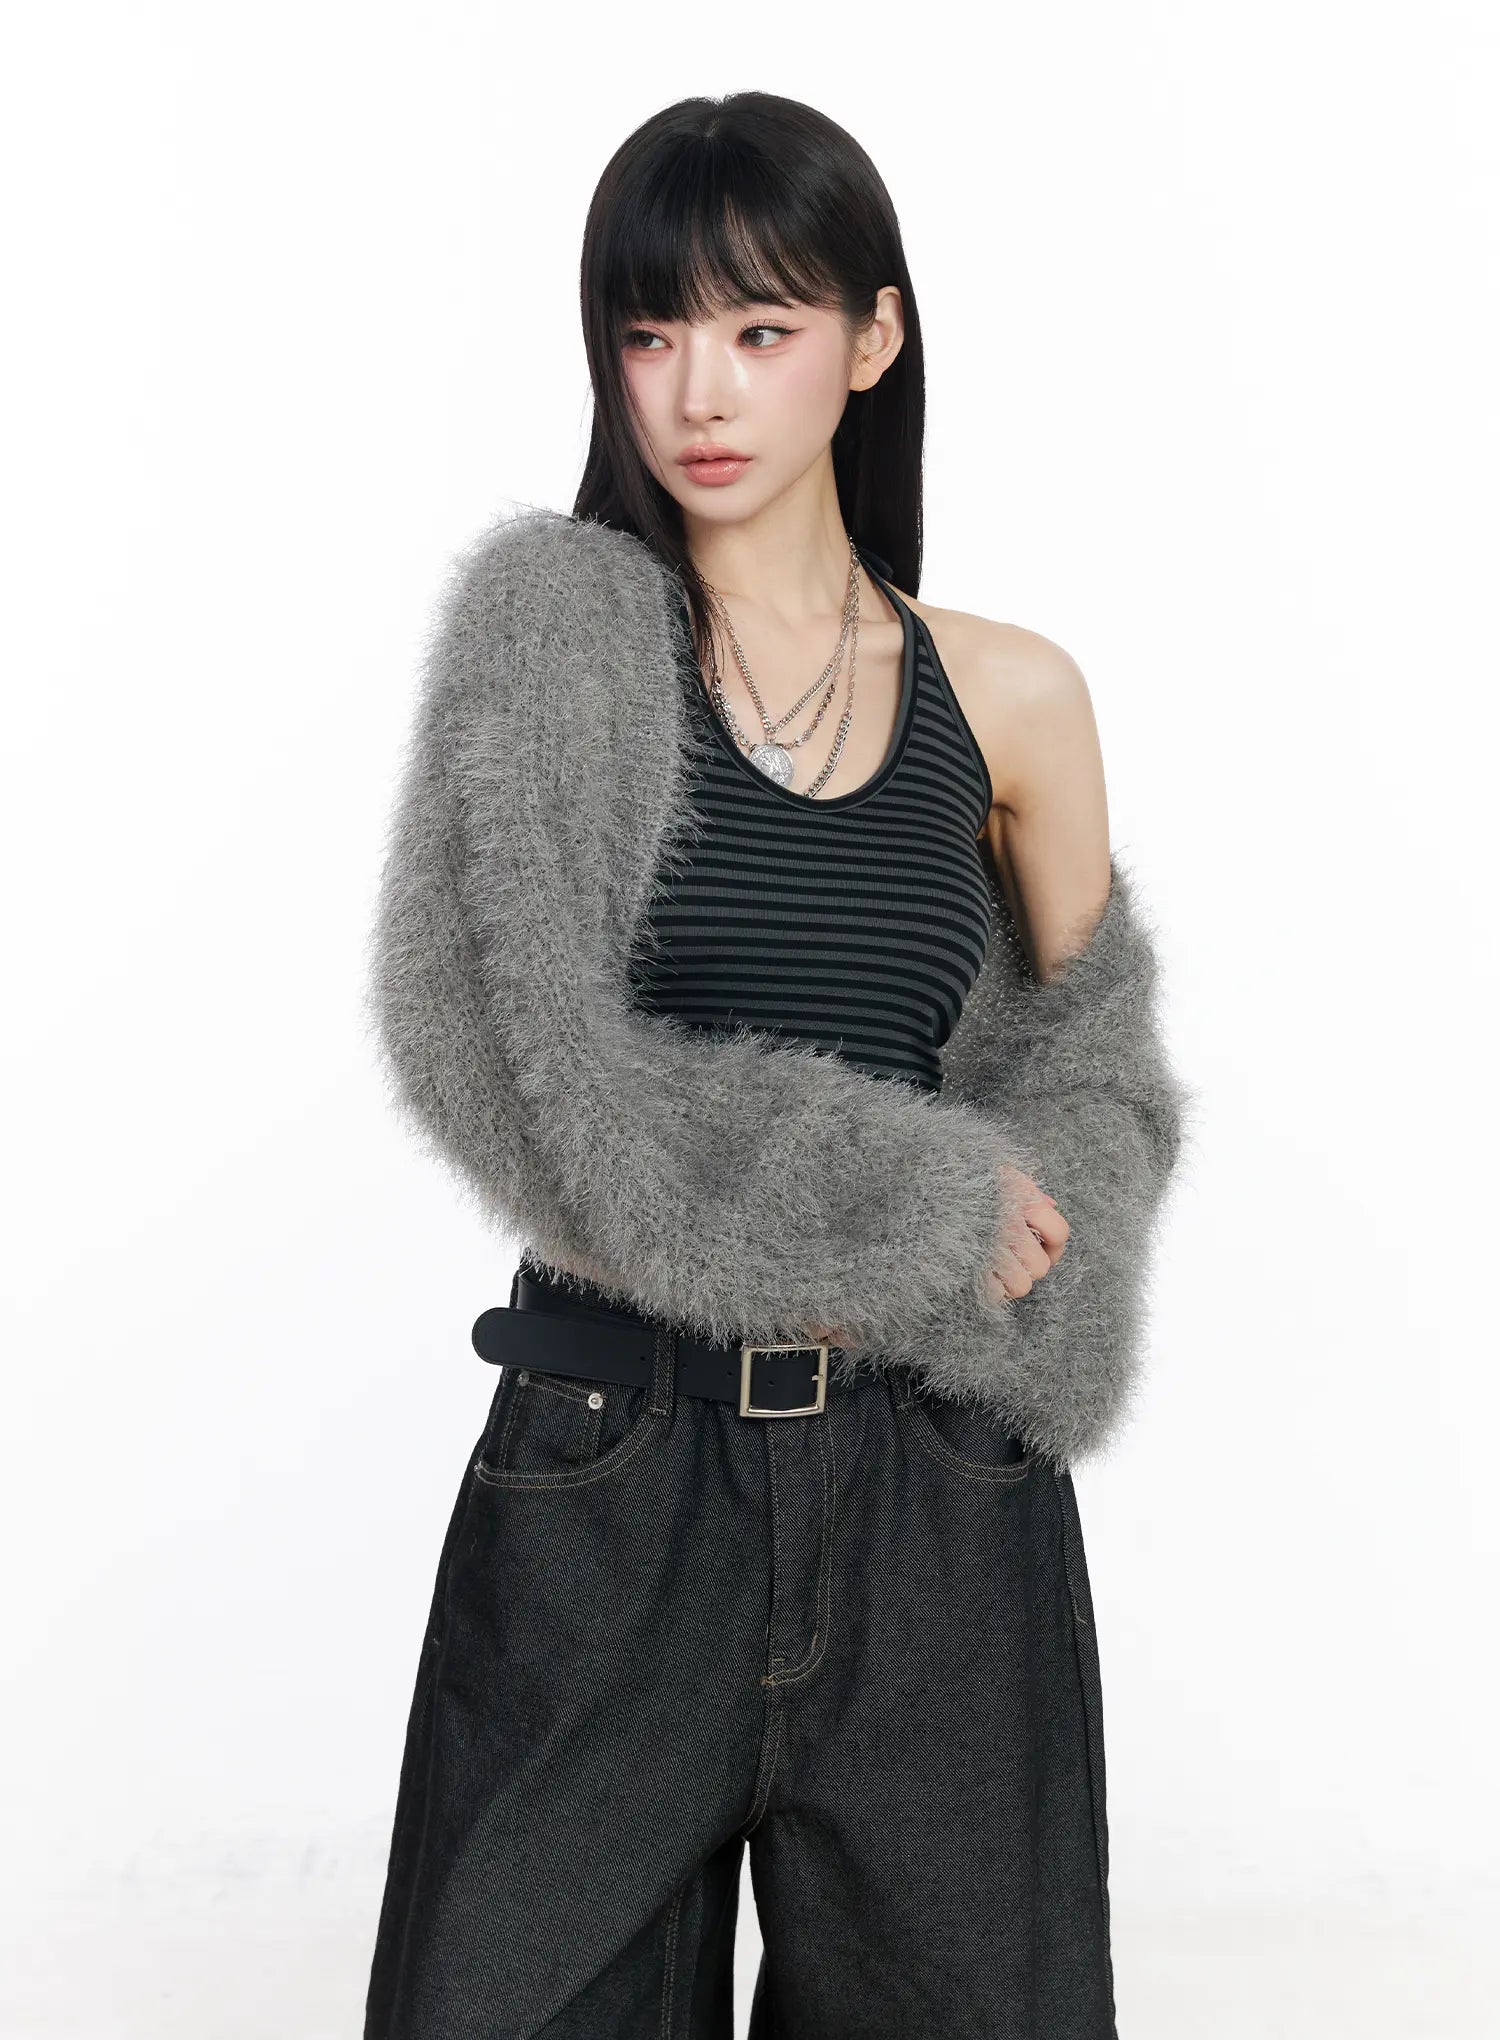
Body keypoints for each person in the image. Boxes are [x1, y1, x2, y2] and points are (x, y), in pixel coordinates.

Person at [361, 88, 1186, 2040]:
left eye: (760, 327)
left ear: (873, 339)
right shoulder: (558, 648)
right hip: (613, 1474)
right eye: (649, 333)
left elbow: (1096, 1078)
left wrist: (1019, 1289)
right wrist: (911, 1199)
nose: (699, 391)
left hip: (935, 1497)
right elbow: (507, 1060)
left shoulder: (1011, 695)